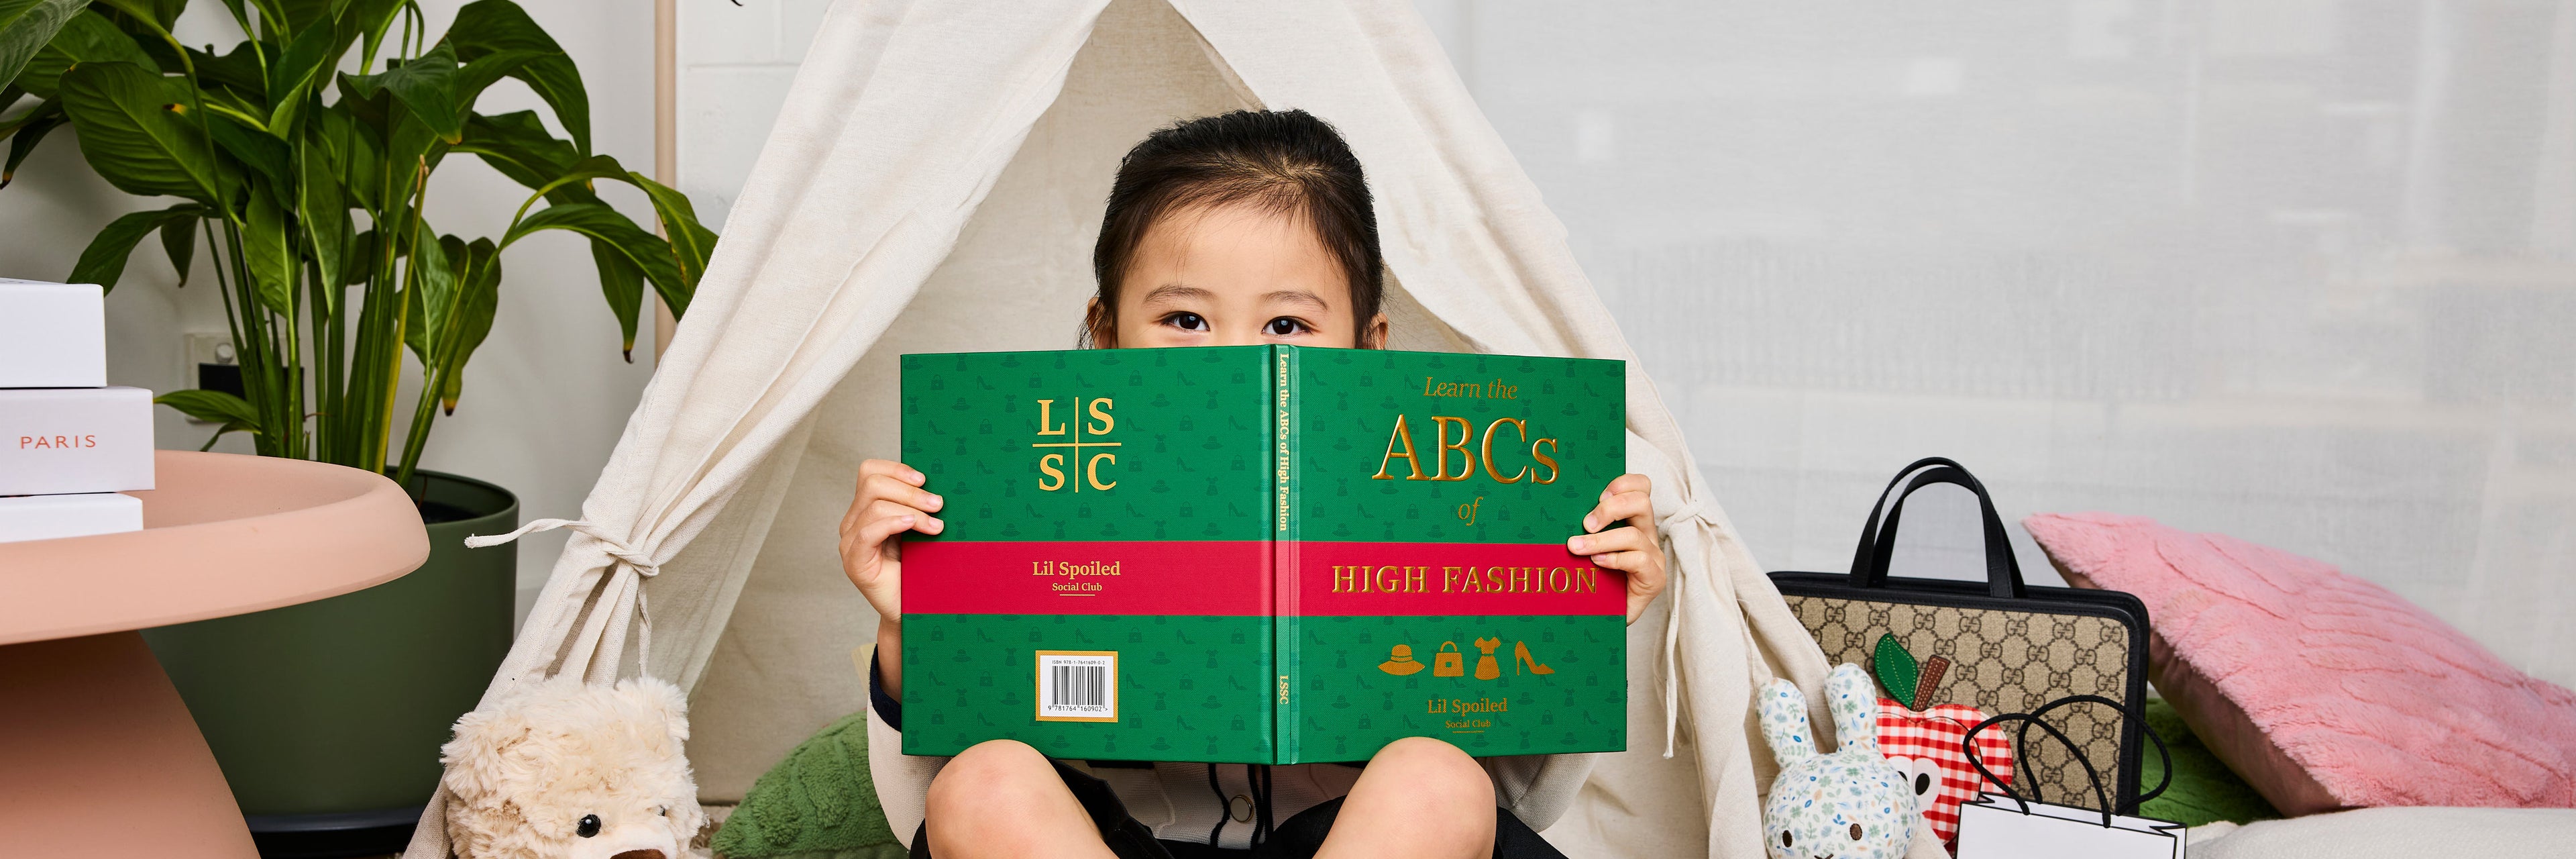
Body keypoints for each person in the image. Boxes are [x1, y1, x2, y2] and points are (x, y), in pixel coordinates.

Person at [839, 109, 1667, 859]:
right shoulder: (1030, 479)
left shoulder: (1438, 488)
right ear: (1106, 334)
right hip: (1110, 843)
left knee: (1437, 778)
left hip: (1359, 839)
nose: (1239, 358)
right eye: (1185, 320)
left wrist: (1579, 611)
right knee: (985, 783)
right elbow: (925, 808)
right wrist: (912, 623)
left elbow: (1523, 804)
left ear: (1367, 347)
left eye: (1287, 324)